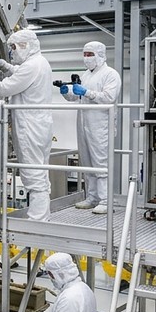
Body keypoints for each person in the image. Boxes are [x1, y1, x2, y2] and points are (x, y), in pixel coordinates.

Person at [0, 28, 54, 220]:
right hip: (40, 124)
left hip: (30, 126)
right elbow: (20, 73)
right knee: (40, 170)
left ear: (26, 46)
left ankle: (38, 219)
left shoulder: (32, 66)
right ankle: (44, 215)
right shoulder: (40, 62)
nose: (12, 52)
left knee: (32, 172)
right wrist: (2, 64)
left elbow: (4, 88)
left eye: (14, 47)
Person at [62, 42, 122, 214]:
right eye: (85, 54)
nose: (86, 58)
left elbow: (108, 98)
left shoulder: (111, 74)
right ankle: (92, 197)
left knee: (101, 163)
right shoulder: (86, 75)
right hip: (83, 124)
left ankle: (105, 200)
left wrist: (87, 92)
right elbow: (75, 96)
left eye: (90, 54)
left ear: (100, 54)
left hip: (101, 125)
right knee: (87, 161)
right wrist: (66, 91)